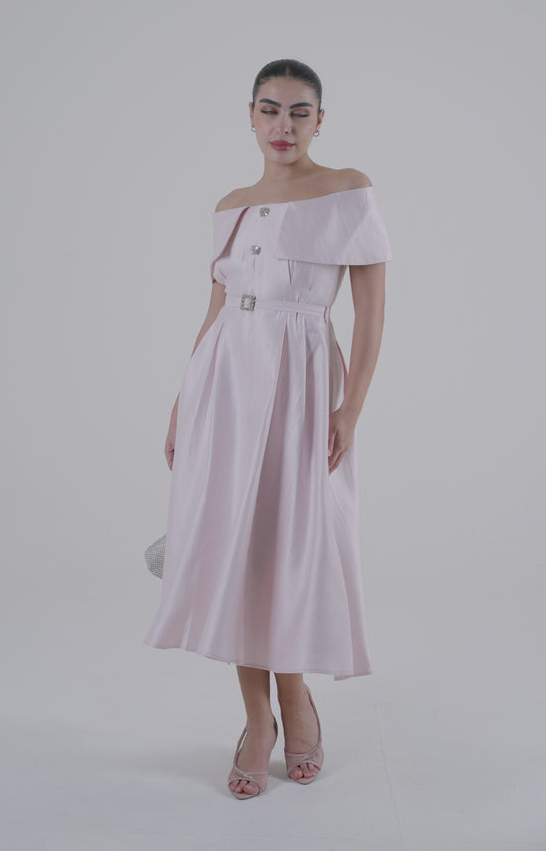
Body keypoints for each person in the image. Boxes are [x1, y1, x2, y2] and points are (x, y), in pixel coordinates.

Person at [143, 58, 393, 799]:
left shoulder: (347, 189)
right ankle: (259, 719)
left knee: (290, 541)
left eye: (299, 112)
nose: (283, 125)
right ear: (250, 117)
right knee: (233, 545)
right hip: (224, 382)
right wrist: (183, 400)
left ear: (320, 121)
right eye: (270, 109)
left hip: (303, 381)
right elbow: (216, 308)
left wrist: (351, 408)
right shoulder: (232, 205)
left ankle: (296, 694)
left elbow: (371, 311)